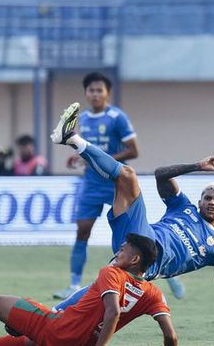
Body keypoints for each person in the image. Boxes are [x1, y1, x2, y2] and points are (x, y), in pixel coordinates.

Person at [50, 102, 214, 346]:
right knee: (127, 176)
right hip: (139, 233)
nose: (211, 202)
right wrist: (198, 167)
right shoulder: (183, 206)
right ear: (199, 201)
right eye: (207, 198)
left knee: (94, 295)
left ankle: (47, 316)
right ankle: (72, 138)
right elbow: (161, 174)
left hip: (145, 262)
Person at [0, 234, 177, 346]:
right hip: (75, 343)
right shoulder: (154, 294)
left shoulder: (112, 273)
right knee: (33, 343)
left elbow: (113, 310)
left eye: (124, 249)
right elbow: (170, 336)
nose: (118, 252)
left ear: (135, 259)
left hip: (57, 328)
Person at [54, 72, 142, 301]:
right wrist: (79, 158)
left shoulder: (117, 117)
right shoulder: (82, 118)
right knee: (82, 231)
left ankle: (160, 272)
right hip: (91, 184)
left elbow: (133, 150)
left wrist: (105, 158)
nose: (95, 94)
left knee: (133, 235)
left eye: (99, 90)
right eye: (91, 90)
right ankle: (74, 284)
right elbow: (86, 148)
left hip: (116, 183)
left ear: (107, 93)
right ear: (86, 93)